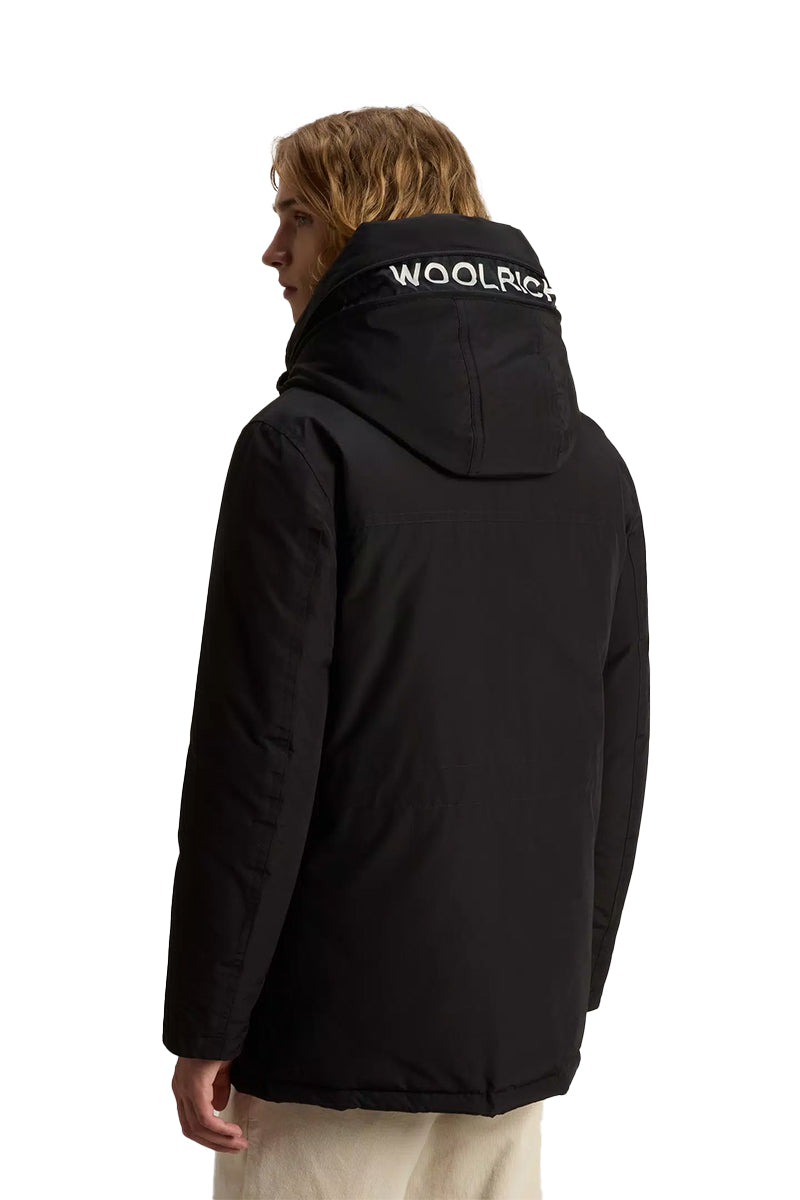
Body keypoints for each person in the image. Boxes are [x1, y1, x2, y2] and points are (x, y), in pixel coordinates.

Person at [162, 104, 650, 1200]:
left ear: (356, 223)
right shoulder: (589, 462)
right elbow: (615, 751)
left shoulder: (300, 447)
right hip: (512, 1029)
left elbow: (259, 760)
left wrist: (207, 1021)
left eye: (294, 216)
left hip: (327, 1040)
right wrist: (562, 984)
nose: (272, 252)